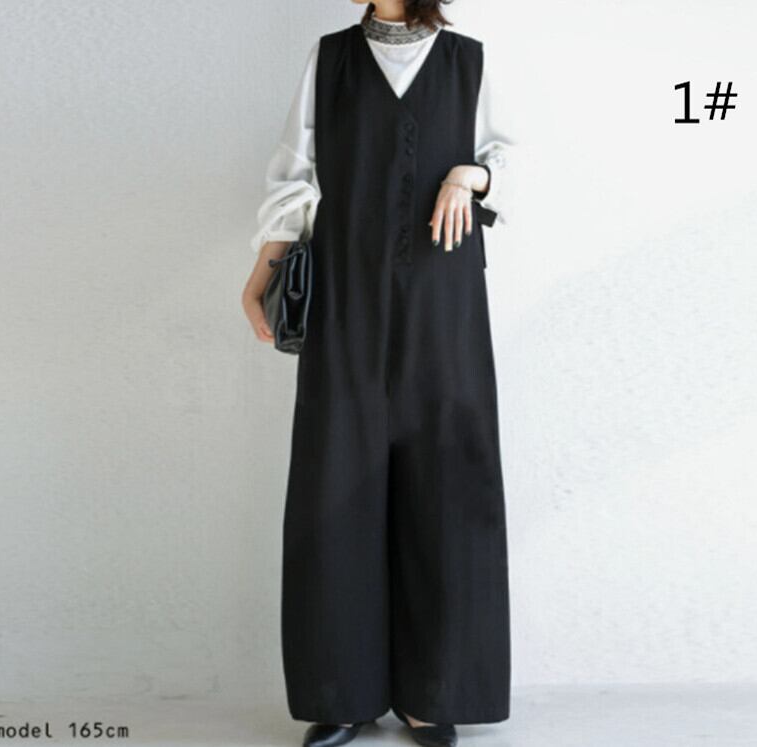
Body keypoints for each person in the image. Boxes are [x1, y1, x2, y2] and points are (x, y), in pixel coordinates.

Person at [241, 2, 515, 745]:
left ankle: (436, 691)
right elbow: (294, 171)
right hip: (346, 292)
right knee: (336, 481)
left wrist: (470, 174)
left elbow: (510, 155)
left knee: (449, 482)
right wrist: (262, 274)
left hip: (444, 297)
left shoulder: (467, 60)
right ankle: (342, 694)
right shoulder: (330, 58)